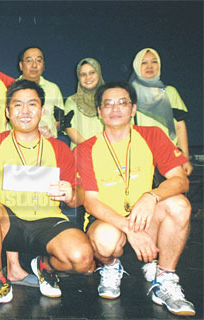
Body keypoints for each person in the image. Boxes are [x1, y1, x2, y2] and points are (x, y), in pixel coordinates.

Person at [0, 80, 95, 313]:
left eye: (32, 104)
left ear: (42, 110)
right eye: (18, 105)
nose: (25, 111)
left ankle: (44, 265)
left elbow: (79, 196)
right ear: (7, 112)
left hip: (48, 222)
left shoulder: (59, 148)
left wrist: (71, 193)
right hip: (9, 223)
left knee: (83, 261)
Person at [75, 81, 195, 316]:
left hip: (145, 217)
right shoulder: (85, 149)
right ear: (99, 112)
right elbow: (91, 201)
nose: (115, 108)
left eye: (123, 102)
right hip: (110, 221)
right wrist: (130, 229)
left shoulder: (153, 135)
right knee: (104, 241)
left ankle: (165, 278)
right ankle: (110, 268)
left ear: (133, 109)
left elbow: (181, 181)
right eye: (107, 104)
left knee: (179, 205)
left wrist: (151, 196)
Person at [129, 48, 193, 176]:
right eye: (144, 62)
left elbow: (179, 126)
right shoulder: (130, 94)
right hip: (141, 156)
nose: (150, 66)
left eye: (154, 61)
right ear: (136, 66)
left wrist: (184, 158)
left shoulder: (170, 92)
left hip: (169, 156)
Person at [16, 46, 63, 139]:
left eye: (38, 61)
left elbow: (59, 120)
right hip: (19, 144)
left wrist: (49, 131)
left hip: (48, 143)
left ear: (43, 66)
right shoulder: (11, 88)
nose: (34, 65)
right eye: (29, 61)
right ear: (21, 65)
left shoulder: (53, 89)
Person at [64, 58, 105, 149]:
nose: (88, 77)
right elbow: (69, 128)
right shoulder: (72, 101)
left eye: (92, 72)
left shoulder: (109, 100)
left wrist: (103, 149)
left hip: (108, 151)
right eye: (83, 74)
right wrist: (89, 148)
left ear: (99, 73)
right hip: (81, 153)